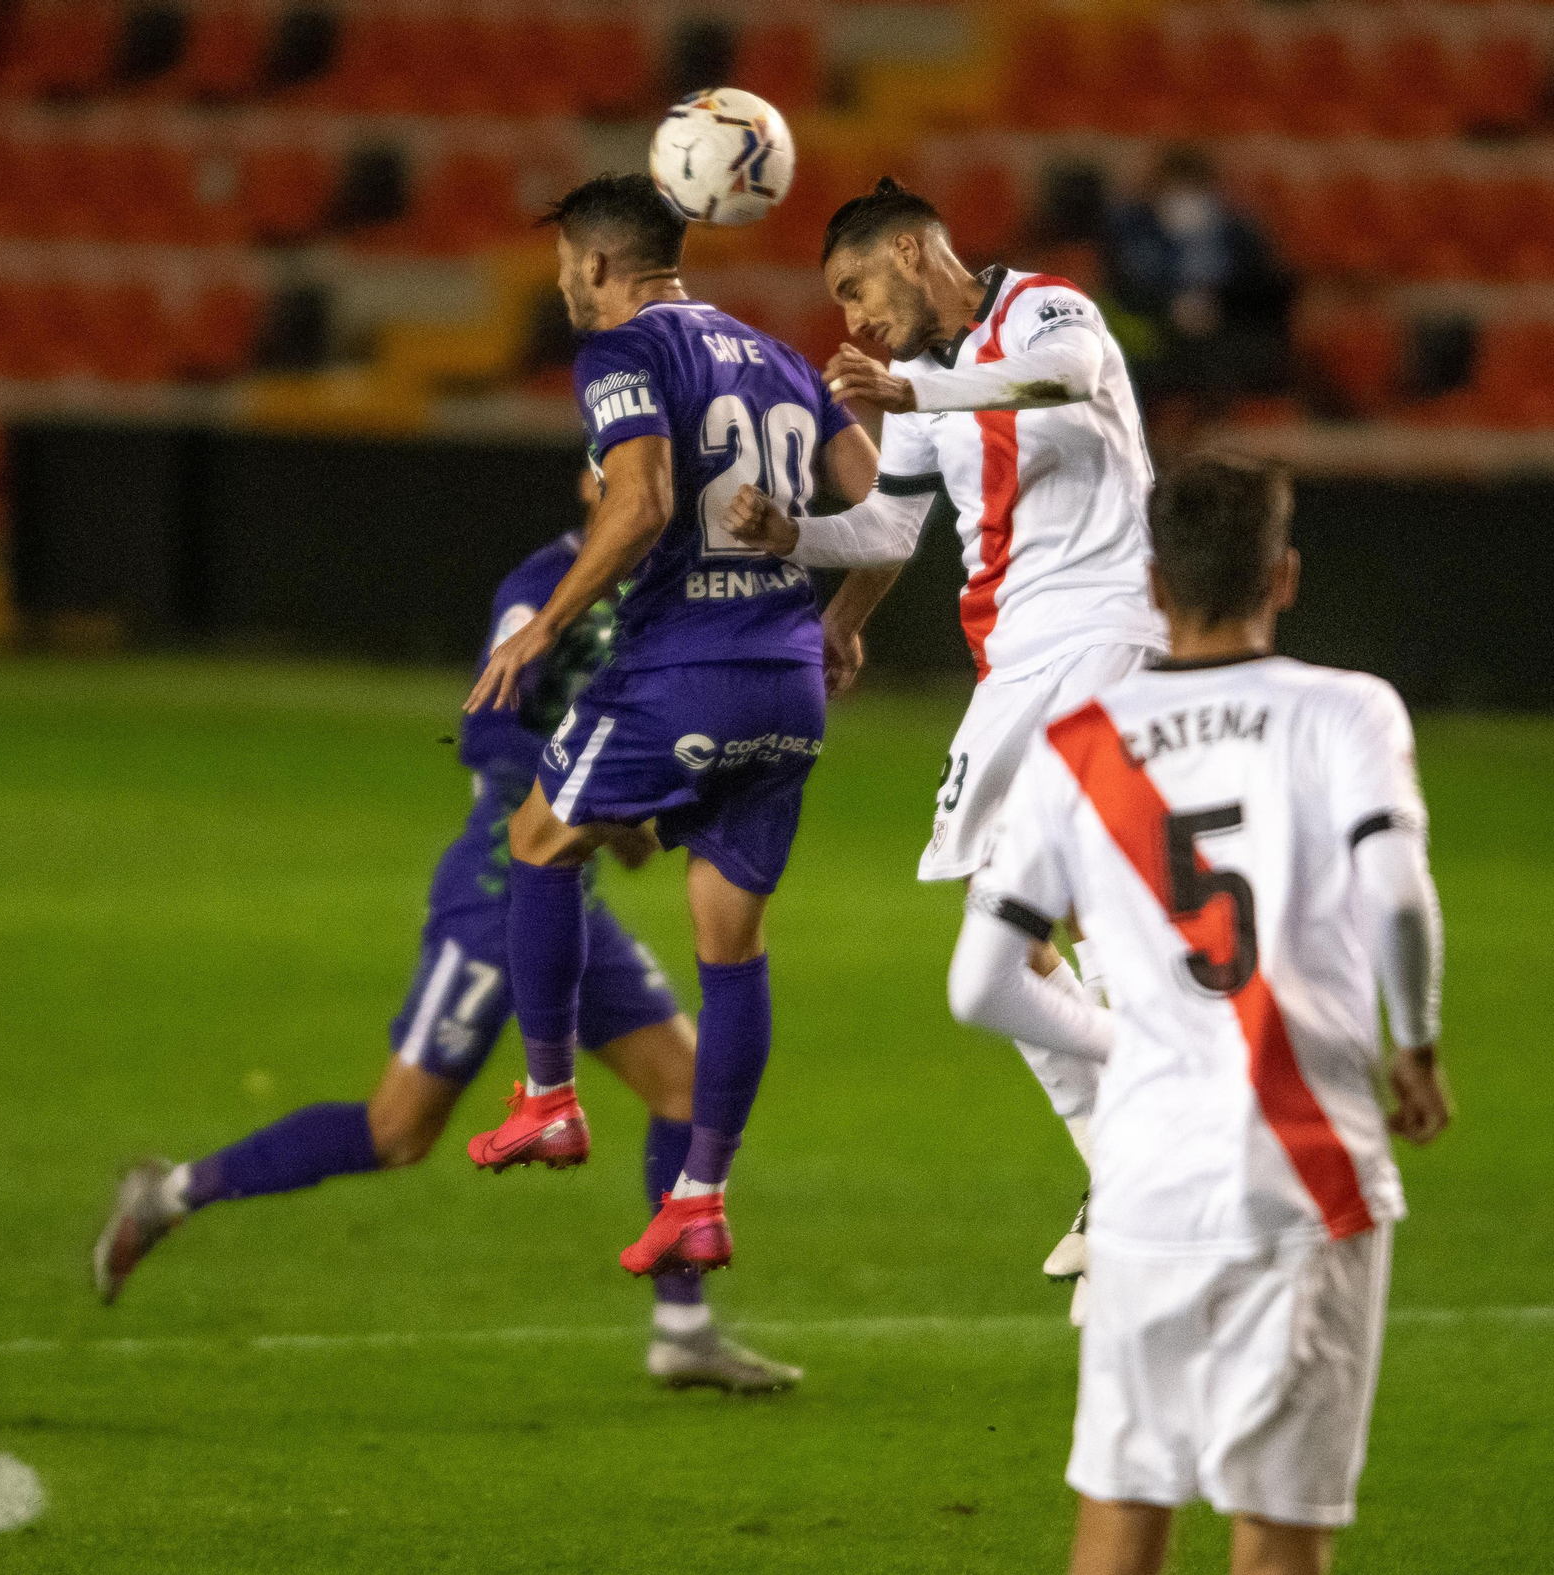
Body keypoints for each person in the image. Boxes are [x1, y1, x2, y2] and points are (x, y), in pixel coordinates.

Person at [92, 469, 802, 1394]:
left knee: (686, 1084)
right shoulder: (545, 585)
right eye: (629, 472)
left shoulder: (670, 587)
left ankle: (683, 1330)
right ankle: (168, 1194)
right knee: (397, 1132)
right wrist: (610, 797)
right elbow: (491, 733)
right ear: (593, 483)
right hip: (501, 890)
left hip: (568, 898)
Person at [946, 453, 1450, 1574]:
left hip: (1144, 1179)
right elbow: (1398, 894)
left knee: (1121, 1517)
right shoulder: (1346, 710)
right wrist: (1415, 1043)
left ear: (1152, 586)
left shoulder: (1080, 745)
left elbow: (981, 983)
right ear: (1285, 576)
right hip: (1304, 1170)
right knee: (1276, 1539)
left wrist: (1128, 1045)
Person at [725, 176, 1165, 1305]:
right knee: (1002, 923)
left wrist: (913, 389)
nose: (853, 319)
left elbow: (1069, 378)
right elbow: (889, 524)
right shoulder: (922, 386)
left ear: (915, 253)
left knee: (1068, 891)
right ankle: (1129, 1156)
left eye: (857, 288)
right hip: (1017, 661)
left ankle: (1161, 1132)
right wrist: (793, 541)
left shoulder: (1043, 309)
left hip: (1104, 628)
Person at [462, 174, 879, 1279]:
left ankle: (549, 1096)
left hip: (681, 668)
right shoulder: (783, 356)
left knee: (539, 840)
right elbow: (882, 511)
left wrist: (547, 624)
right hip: (788, 686)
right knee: (729, 943)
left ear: (599, 264)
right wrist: (843, 622)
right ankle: (700, 1199)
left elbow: (640, 503)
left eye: (566, 264)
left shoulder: (623, 351)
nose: (563, 282)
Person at [1101, 146, 1293, 420]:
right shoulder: (1131, 227)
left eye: (1195, 188)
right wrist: (1168, 307)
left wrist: (1218, 304)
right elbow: (1120, 285)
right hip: (1154, 331)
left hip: (1223, 332)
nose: (1186, 198)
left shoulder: (1238, 231)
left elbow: (1263, 288)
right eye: (1177, 188)